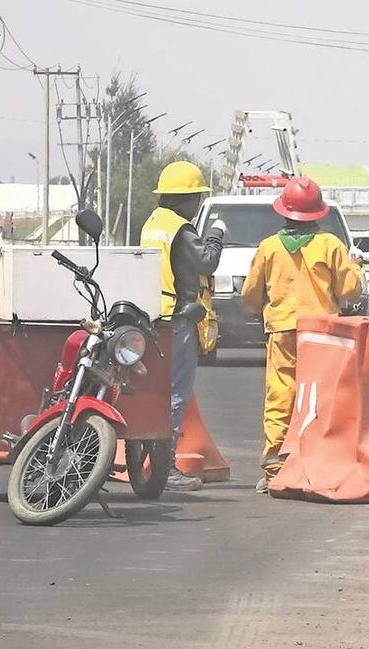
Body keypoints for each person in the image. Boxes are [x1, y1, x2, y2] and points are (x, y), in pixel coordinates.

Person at [241, 177, 365, 493]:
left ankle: (275, 467)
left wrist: (263, 311)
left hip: (282, 331)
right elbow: (351, 290)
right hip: (321, 337)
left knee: (281, 393)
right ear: (318, 214)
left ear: (284, 212)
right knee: (321, 398)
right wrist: (355, 267)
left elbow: (250, 294)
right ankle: (320, 463)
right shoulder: (331, 246)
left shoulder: (268, 247)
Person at [140, 161, 225, 492]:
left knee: (152, 391)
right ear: (186, 199)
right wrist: (216, 235)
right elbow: (206, 261)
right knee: (175, 393)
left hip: (152, 317)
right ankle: (167, 467)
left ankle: (149, 460)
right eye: (196, 198)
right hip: (177, 319)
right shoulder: (181, 229)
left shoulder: (152, 223)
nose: (198, 204)